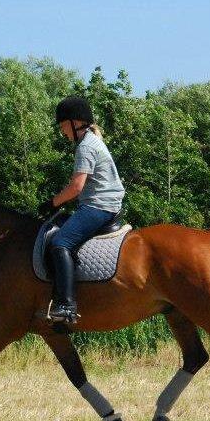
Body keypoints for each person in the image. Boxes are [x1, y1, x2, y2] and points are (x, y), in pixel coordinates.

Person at [36, 95, 126, 324]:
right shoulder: (91, 140)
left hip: (99, 206)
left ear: (75, 123)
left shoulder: (86, 146)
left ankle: (66, 306)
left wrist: (52, 203)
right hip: (102, 203)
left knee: (60, 243)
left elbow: (76, 187)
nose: (61, 131)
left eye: (62, 125)